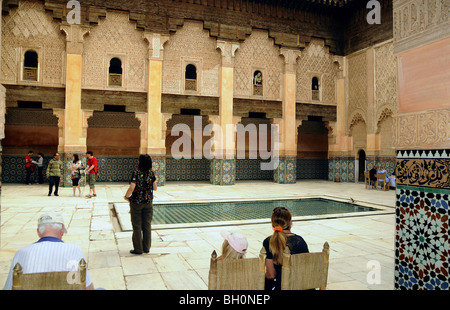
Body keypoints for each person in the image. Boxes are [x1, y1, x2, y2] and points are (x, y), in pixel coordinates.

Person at [3, 212, 95, 290]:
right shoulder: (74, 250)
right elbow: (88, 287)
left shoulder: (21, 253)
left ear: (38, 232)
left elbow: (9, 287)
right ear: (62, 230)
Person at [263, 207, 309, 290]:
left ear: (273, 224)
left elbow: (271, 275)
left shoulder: (268, 242)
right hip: (302, 286)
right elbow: (306, 269)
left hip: (283, 286)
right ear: (290, 222)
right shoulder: (300, 241)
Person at [124, 154, 157, 255]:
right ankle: (146, 248)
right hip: (148, 203)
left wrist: (126, 196)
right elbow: (155, 188)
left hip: (137, 203)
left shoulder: (136, 173)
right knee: (147, 225)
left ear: (140, 162)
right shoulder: (151, 174)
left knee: (137, 226)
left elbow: (132, 188)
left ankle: (138, 249)